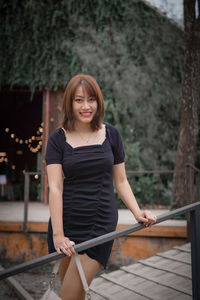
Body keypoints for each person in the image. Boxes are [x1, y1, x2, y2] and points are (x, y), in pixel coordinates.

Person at [45, 74, 157, 300]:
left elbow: (121, 180)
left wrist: (138, 212)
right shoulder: (57, 140)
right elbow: (55, 188)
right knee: (69, 292)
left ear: (99, 102)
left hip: (100, 223)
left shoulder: (112, 135)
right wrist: (58, 235)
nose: (86, 106)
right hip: (66, 225)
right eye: (79, 100)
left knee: (68, 295)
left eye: (91, 99)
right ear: (70, 103)